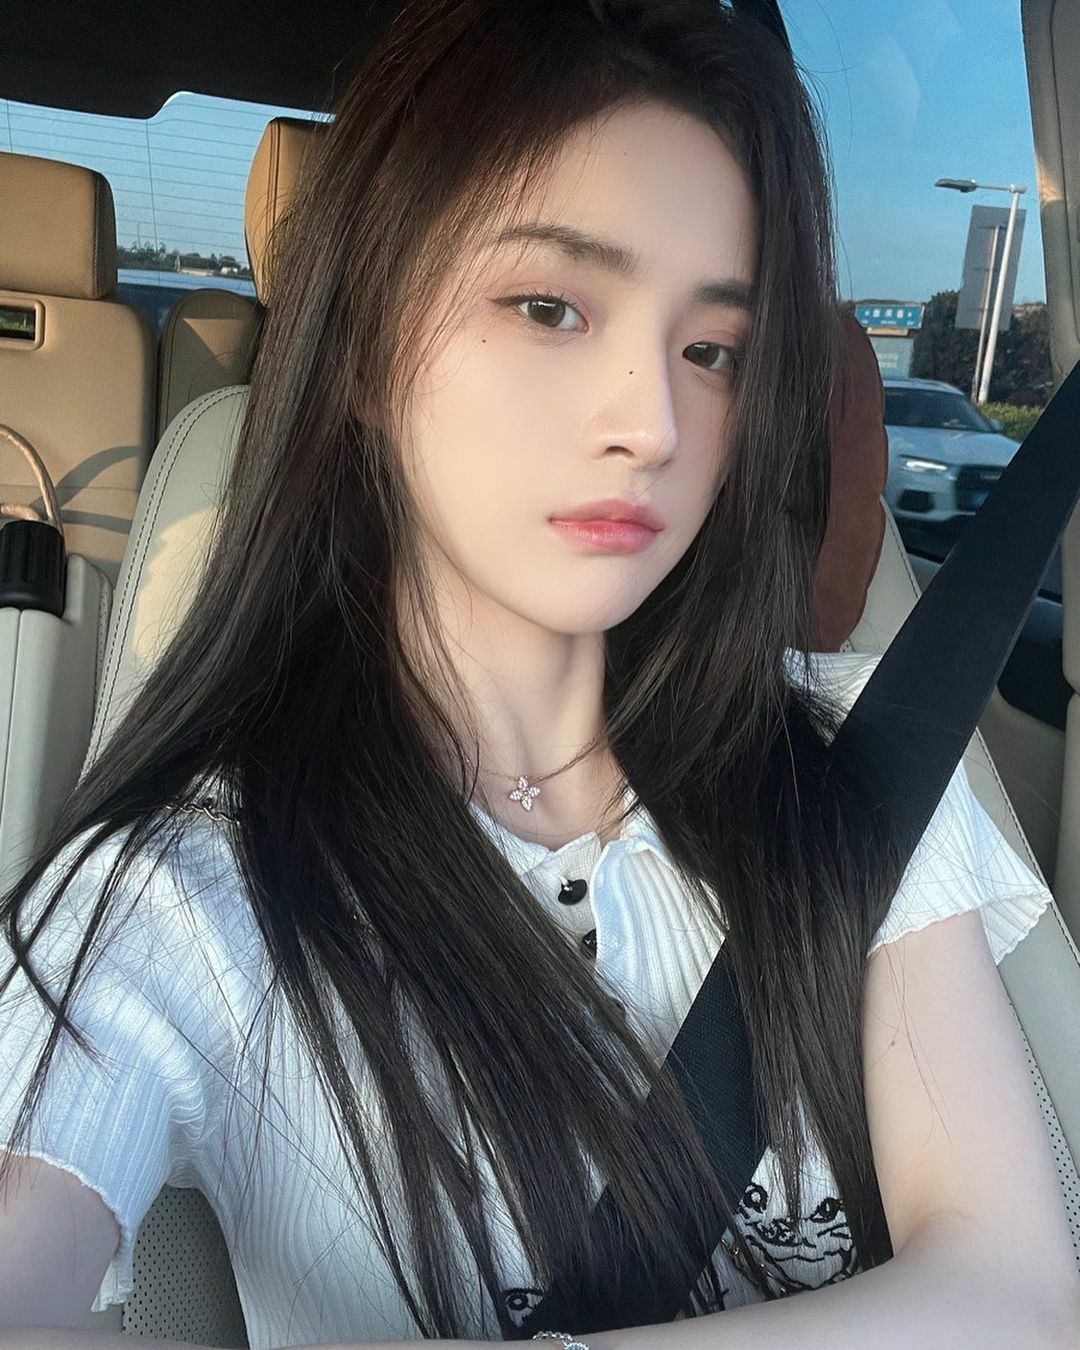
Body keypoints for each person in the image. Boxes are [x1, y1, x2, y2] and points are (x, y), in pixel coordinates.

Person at [1, 2, 1077, 1347]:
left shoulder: (857, 760)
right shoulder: (184, 889)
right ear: (364, 346)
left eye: (712, 351)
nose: (653, 421)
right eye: (550, 307)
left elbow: (1013, 1287)